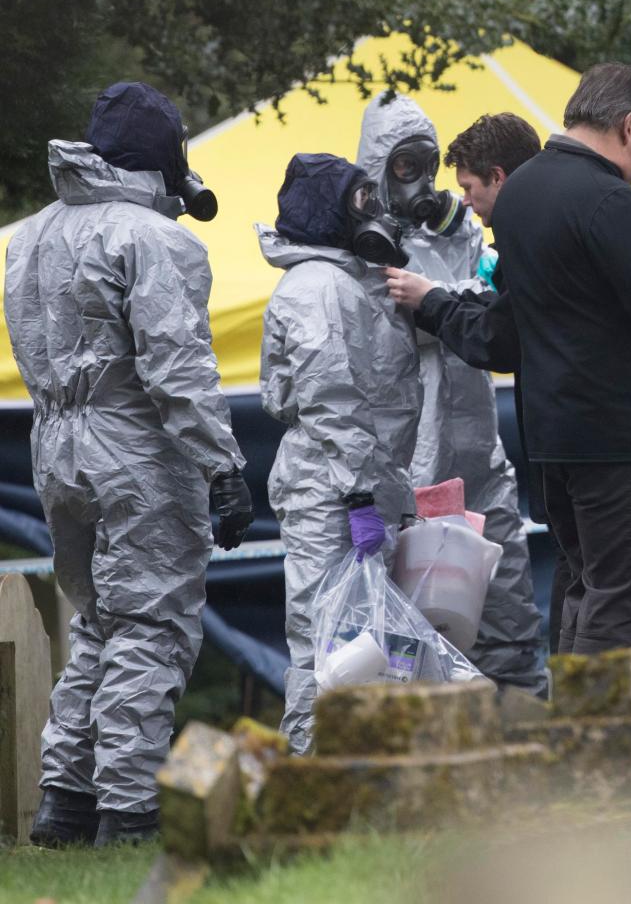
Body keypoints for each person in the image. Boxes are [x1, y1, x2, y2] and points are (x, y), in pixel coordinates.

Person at [388, 63, 631, 655]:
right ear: (629, 124)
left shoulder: (521, 196)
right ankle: (599, 740)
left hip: (556, 435)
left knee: (583, 586)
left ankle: (573, 727)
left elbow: (513, 325)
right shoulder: (611, 201)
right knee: (624, 597)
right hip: (624, 440)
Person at [4, 82, 253, 847]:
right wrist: (223, 466)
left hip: (57, 446)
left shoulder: (30, 236)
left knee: (100, 627)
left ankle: (64, 803)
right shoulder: (156, 241)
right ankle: (130, 814)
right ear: (161, 161)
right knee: (150, 625)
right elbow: (175, 370)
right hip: (137, 450)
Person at [357, 97, 547, 697]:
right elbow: (381, 323)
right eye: (401, 164)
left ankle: (526, 730)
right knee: (412, 622)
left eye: (425, 163)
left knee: (507, 601)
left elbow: (498, 308)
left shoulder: (466, 229)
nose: (417, 178)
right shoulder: (359, 243)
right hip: (409, 455)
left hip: (477, 448)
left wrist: (437, 294)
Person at [258, 153, 422, 755]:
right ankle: (309, 770)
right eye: (357, 200)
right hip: (330, 486)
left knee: (361, 638)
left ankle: (352, 771)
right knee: (323, 635)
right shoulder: (315, 287)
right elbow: (330, 396)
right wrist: (357, 492)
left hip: (353, 481)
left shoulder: (346, 281)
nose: (370, 210)